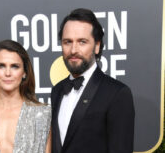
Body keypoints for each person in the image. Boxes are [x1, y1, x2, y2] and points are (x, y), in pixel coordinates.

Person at [51, 8, 135, 153]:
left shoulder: (117, 94)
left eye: (82, 42)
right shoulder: (57, 90)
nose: (73, 50)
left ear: (97, 46)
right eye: (67, 42)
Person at [0, 40, 51, 153]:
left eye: (15, 66)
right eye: (1, 66)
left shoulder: (42, 114)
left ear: (24, 72)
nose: (7, 73)